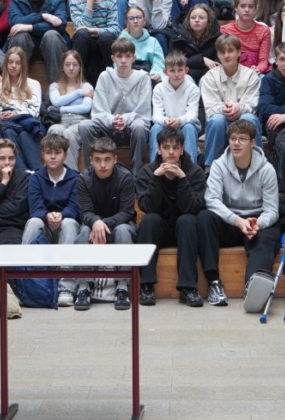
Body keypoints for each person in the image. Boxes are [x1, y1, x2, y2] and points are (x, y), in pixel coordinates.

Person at [196, 118, 280, 304]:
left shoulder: (267, 169)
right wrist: (237, 220)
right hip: (230, 221)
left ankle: (253, 286)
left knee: (271, 232)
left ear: (252, 142)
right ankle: (214, 283)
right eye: (233, 138)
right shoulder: (219, 165)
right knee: (204, 218)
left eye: (242, 139)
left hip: (255, 221)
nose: (236, 143)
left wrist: (258, 224)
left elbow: (272, 209)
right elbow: (212, 200)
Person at [136, 127, 208, 307]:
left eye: (175, 148)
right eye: (166, 147)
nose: (171, 152)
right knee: (149, 220)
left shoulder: (195, 172)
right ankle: (146, 285)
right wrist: (156, 179)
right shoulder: (147, 172)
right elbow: (148, 207)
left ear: (182, 150)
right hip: (159, 229)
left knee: (188, 220)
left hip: (185, 231)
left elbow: (193, 208)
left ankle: (188, 288)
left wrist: (182, 178)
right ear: (159, 149)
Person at [71, 136, 138, 311]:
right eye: (98, 160)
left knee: (123, 230)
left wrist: (101, 223)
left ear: (115, 159)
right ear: (91, 160)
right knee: (84, 231)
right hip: (92, 226)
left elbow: (127, 213)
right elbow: (85, 212)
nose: (102, 165)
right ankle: (84, 286)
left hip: (120, 225)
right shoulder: (83, 179)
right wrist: (95, 222)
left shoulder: (125, 177)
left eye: (107, 159)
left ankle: (122, 286)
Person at [22, 135, 81, 308]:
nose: (53, 157)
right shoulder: (36, 178)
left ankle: (66, 287)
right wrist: (47, 215)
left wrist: (62, 215)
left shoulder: (75, 178)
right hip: (44, 227)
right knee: (33, 222)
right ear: (42, 155)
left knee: (69, 223)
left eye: (57, 153)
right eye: (48, 153)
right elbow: (35, 206)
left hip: (66, 228)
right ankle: (22, 281)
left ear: (65, 155)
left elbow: (75, 207)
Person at [80, 37, 153, 176]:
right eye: (119, 56)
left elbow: (143, 112)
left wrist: (125, 119)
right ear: (113, 58)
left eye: (127, 56)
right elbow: (97, 111)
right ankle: (91, 174)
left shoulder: (144, 78)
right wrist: (111, 120)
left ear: (134, 58)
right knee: (85, 126)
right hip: (108, 128)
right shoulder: (104, 76)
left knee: (139, 126)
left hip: (131, 128)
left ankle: (136, 175)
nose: (123, 60)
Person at [200, 34, 262, 168]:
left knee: (249, 119)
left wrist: (238, 108)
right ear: (218, 55)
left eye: (231, 51)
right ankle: (211, 168)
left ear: (239, 52)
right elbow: (210, 108)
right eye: (222, 52)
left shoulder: (251, 75)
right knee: (217, 120)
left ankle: (256, 167)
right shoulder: (209, 77)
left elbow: (252, 105)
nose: (226, 55)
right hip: (220, 118)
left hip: (243, 116)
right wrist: (224, 109)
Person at [6, 0, 71, 85]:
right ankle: (16, 87)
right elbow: (14, 21)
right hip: (25, 43)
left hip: (52, 46)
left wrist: (31, 27)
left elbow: (60, 25)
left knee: (52, 35)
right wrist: (42, 16)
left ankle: (56, 88)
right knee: (19, 36)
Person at [0, 46, 45, 171]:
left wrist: (15, 113)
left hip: (29, 125)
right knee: (8, 132)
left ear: (23, 65)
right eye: (10, 62)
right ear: (6, 64)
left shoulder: (34, 84)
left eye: (17, 63)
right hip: (9, 125)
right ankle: (21, 172)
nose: (13, 66)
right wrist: (1, 115)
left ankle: (37, 171)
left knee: (25, 135)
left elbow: (35, 111)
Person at [68, 0, 119, 83]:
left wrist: (94, 30)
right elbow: (80, 27)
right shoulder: (75, 2)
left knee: (107, 36)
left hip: (103, 41)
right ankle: (76, 80)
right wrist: (90, 1)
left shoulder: (110, 0)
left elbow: (115, 29)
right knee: (82, 34)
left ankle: (110, 80)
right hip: (84, 41)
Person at [148, 51, 201, 163]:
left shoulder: (193, 89)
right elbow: (156, 115)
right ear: (165, 72)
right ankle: (154, 167)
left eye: (180, 70)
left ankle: (191, 168)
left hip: (184, 125)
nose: (176, 74)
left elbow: (192, 114)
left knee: (189, 128)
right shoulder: (159, 88)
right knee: (155, 128)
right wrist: (165, 120)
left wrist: (179, 120)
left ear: (186, 70)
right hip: (165, 126)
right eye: (172, 70)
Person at [47, 50, 94, 170]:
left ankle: (71, 175)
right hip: (61, 121)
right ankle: (52, 172)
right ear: (62, 67)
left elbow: (85, 107)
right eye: (67, 65)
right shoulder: (55, 86)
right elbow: (56, 102)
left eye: (75, 65)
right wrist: (79, 93)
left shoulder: (87, 86)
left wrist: (61, 109)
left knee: (69, 134)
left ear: (80, 67)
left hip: (79, 122)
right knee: (54, 130)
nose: (71, 68)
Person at [220, 0, 272, 74]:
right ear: (236, 8)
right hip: (233, 69)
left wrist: (257, 69)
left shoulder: (264, 31)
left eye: (251, 6)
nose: (247, 10)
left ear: (255, 9)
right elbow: (225, 57)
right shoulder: (225, 30)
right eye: (243, 6)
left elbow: (263, 60)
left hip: (255, 70)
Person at [170, 3, 221, 84]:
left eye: (201, 17)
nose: (196, 20)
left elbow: (218, 64)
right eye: (193, 17)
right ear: (188, 20)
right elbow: (174, 60)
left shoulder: (218, 37)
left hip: (210, 76)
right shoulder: (178, 36)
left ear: (209, 21)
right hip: (185, 75)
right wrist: (202, 60)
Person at [118, 5, 165, 84]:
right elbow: (117, 64)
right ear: (126, 22)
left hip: (149, 78)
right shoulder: (121, 41)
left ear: (144, 21)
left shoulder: (153, 41)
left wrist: (155, 74)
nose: (135, 21)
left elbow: (159, 63)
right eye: (131, 18)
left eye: (139, 17)